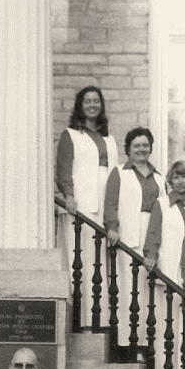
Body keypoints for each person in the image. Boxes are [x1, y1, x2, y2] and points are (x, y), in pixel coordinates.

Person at [56, 87, 119, 325]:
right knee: (79, 261)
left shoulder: (109, 139)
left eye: (96, 101)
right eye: (87, 101)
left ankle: (101, 320)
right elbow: (63, 168)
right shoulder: (71, 135)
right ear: (80, 106)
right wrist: (69, 195)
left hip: (105, 206)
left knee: (102, 263)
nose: (92, 105)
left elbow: (114, 175)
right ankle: (79, 320)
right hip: (80, 207)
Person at [104, 127, 164, 347]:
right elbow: (110, 203)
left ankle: (149, 345)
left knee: (151, 290)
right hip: (128, 235)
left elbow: (164, 211)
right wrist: (112, 226)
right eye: (136, 145)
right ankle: (129, 343)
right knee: (129, 288)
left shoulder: (160, 178)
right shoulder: (119, 172)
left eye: (145, 145)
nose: (141, 149)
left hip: (153, 233)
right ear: (128, 149)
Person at [143, 161, 185, 369]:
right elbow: (153, 233)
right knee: (169, 323)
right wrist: (151, 255)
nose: (181, 181)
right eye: (176, 177)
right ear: (170, 180)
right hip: (170, 271)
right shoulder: (162, 204)